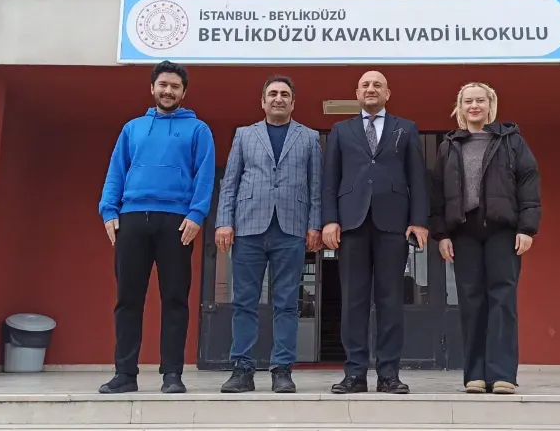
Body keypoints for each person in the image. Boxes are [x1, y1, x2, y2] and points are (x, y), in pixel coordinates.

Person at [97, 61, 215, 394]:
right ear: (152, 88)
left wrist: (196, 214)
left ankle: (172, 374)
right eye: (163, 85)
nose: (168, 91)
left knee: (175, 298)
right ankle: (124, 374)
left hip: (177, 222)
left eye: (175, 86)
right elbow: (116, 171)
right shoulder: (132, 128)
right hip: (132, 217)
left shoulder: (198, 130)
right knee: (128, 299)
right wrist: (108, 210)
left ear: (183, 92)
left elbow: (205, 174)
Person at [321, 70, 429, 395]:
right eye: (365, 85)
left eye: (377, 85)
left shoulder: (406, 128)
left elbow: (417, 178)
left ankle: (388, 375)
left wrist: (419, 220)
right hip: (351, 224)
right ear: (357, 93)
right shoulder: (341, 130)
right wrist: (330, 220)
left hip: (393, 224)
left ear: (387, 93)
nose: (371, 89)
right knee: (353, 301)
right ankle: (354, 374)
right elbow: (330, 180)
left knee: (390, 301)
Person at [429, 82, 540, 395]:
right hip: (464, 232)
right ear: (460, 107)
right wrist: (442, 234)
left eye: (480, 100)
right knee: (471, 301)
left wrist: (527, 228)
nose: (474, 106)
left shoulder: (511, 141)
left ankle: (503, 374)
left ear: (491, 105)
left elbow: (528, 183)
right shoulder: (449, 145)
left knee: (502, 299)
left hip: (502, 230)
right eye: (468, 101)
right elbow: (437, 193)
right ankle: (475, 375)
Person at [215, 75, 323, 394]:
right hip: (248, 227)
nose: (278, 98)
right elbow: (230, 182)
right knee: (244, 302)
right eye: (272, 94)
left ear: (293, 103)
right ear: (263, 102)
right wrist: (224, 221)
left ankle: (282, 369)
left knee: (287, 302)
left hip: (291, 228)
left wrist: (314, 225)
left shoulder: (309, 137)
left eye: (284, 94)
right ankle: (242, 368)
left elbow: (316, 186)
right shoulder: (244, 135)